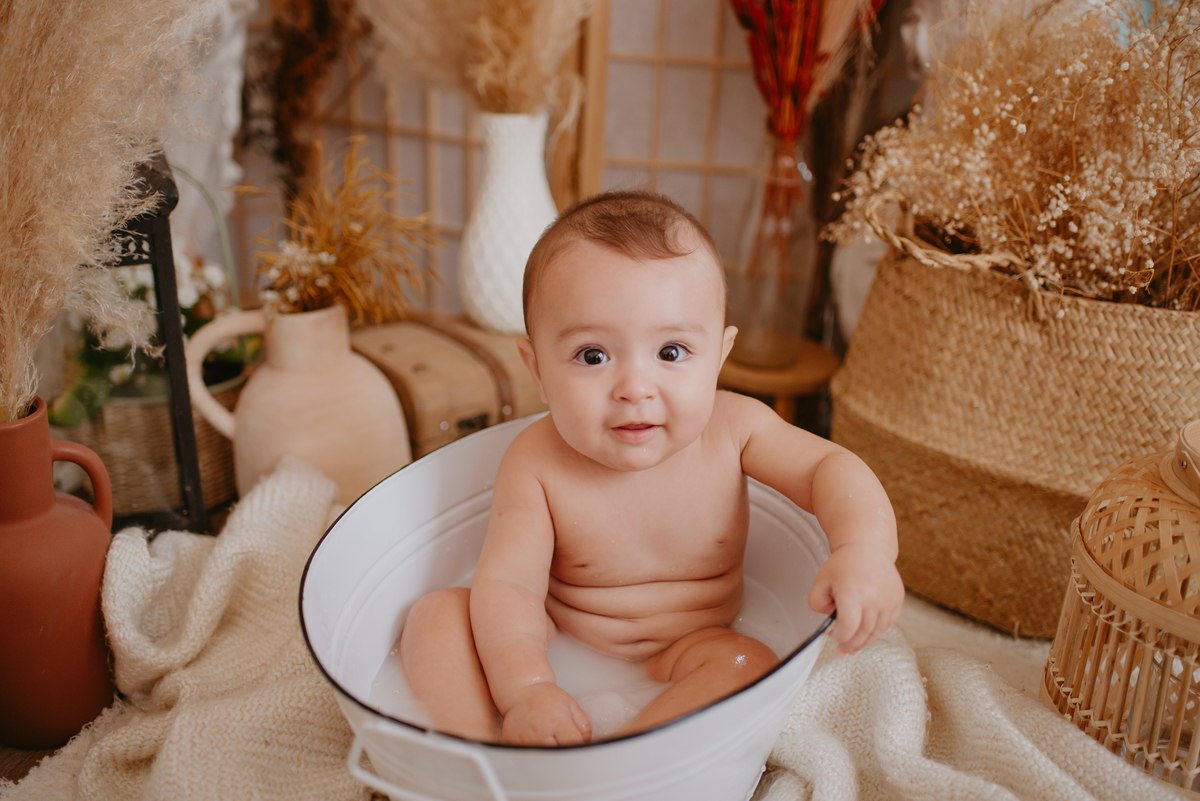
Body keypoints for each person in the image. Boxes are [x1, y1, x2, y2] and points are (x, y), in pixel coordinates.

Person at [400, 190, 904, 746]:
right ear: (537, 368)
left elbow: (829, 469)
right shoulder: (537, 460)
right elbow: (511, 586)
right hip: (556, 636)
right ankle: (473, 760)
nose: (635, 389)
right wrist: (527, 686)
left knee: (747, 663)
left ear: (719, 355)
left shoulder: (738, 428)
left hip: (692, 647)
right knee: (437, 618)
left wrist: (864, 549)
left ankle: (616, 770)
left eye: (671, 352)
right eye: (593, 355)